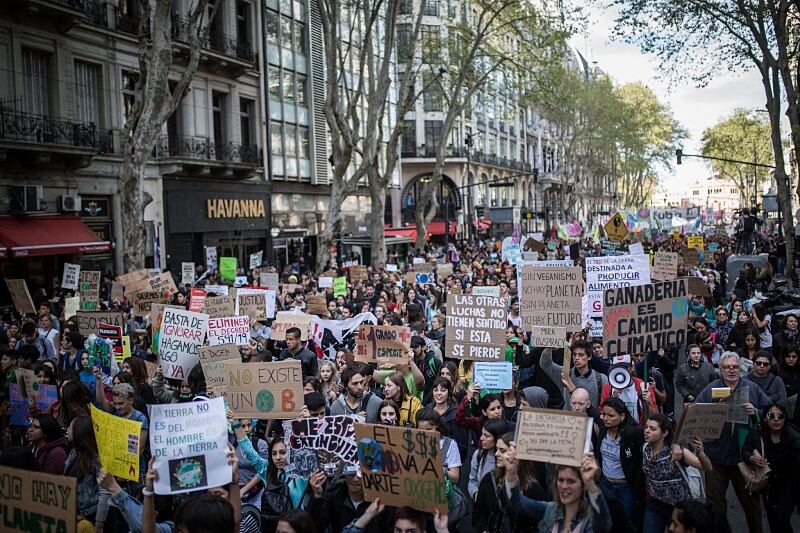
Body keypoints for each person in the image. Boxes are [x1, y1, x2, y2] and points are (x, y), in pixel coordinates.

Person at [694, 352, 771, 533]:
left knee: (751, 505)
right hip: (716, 456)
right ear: (720, 369)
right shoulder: (711, 389)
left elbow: (771, 413)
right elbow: (695, 414)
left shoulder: (751, 388)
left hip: (743, 456)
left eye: (735, 367)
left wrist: (756, 412)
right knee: (715, 505)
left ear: (740, 369)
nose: (731, 370)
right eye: (727, 367)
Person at [505, 451, 612, 533]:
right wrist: (511, 473)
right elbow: (517, 502)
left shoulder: (589, 519)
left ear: (583, 486)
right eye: (561, 480)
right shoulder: (550, 510)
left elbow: (604, 523)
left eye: (571, 481)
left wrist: (590, 482)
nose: (564, 486)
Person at [641, 414, 712, 533]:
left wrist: (699, 452)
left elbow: (707, 467)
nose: (647, 431)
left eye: (653, 429)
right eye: (646, 427)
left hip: (677, 508)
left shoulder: (677, 452)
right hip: (654, 504)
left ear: (664, 433)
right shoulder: (645, 448)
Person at [741, 403, 800, 533]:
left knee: (782, 518)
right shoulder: (757, 431)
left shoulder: (793, 437)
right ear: (765, 418)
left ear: (785, 419)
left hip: (788, 482)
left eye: (780, 416)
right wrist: (751, 457)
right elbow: (745, 450)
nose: (776, 419)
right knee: (773, 520)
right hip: (768, 483)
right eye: (771, 415)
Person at [472, 431, 547, 533]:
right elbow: (478, 512)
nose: (496, 454)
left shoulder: (533, 489)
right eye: (497, 449)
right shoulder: (489, 480)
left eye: (502, 450)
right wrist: (484, 530)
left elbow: (540, 525)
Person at [594, 397, 644, 526]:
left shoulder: (633, 433)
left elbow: (656, 434)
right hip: (605, 485)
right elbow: (587, 410)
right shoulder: (603, 429)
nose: (605, 418)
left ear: (622, 416)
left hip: (625, 488)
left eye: (611, 415)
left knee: (627, 522)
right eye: (604, 414)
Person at [65, 415, 110, 531]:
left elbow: (104, 493)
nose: (67, 431)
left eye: (70, 428)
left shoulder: (96, 458)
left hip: (90, 515)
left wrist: (99, 524)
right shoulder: (74, 452)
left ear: (78, 433)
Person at [540, 340, 609, 409]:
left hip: (590, 418)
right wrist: (549, 348)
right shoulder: (565, 374)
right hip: (568, 418)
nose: (576, 358)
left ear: (589, 357)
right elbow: (545, 364)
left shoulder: (602, 379)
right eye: (574, 354)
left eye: (581, 355)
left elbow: (604, 406)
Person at [468, 418, 508, 500]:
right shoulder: (478, 455)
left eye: (486, 436)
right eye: (482, 434)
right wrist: (476, 495)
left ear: (497, 437)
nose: (481, 438)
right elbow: (472, 481)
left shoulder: (508, 458)